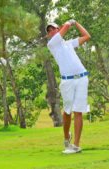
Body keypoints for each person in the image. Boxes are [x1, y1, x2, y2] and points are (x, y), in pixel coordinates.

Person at [46, 20, 91, 154]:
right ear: (48, 35)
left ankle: (76, 145)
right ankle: (66, 138)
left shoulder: (69, 43)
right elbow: (65, 27)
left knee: (78, 111)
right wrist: (68, 22)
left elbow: (87, 36)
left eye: (53, 29)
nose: (51, 31)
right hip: (67, 82)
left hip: (82, 78)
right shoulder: (52, 44)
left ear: (57, 29)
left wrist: (76, 23)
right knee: (67, 112)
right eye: (49, 31)